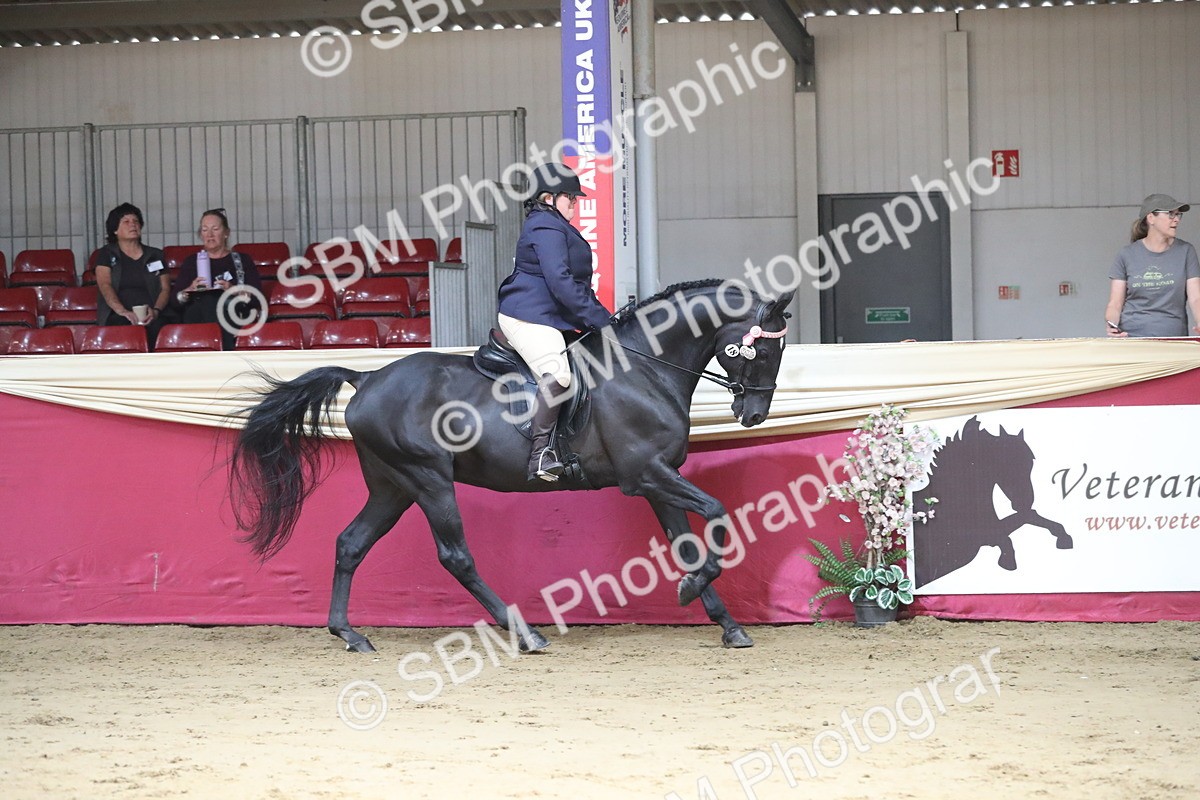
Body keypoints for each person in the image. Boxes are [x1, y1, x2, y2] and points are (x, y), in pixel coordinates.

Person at [497, 163, 612, 482]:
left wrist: (603, 318)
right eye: (571, 198)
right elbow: (561, 282)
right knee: (558, 373)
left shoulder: (554, 224)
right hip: (528, 315)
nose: (575, 204)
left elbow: (573, 287)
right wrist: (601, 321)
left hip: (550, 315)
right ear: (548, 197)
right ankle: (540, 456)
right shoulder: (544, 226)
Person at [1105, 193, 1200, 338]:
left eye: (1178, 215)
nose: (1176, 220)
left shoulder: (1186, 251)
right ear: (1151, 218)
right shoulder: (1126, 255)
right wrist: (1112, 324)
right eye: (1170, 214)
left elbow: (1196, 298)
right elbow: (1115, 303)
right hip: (1132, 338)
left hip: (1173, 338)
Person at [172, 208, 264, 350]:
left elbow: (257, 298)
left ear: (226, 233)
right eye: (204, 230)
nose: (209, 235)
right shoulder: (191, 262)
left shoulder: (242, 260)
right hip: (198, 317)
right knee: (206, 301)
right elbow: (175, 301)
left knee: (219, 301)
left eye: (215, 229)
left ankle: (216, 349)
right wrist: (189, 290)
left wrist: (233, 290)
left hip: (234, 313)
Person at [95, 202, 171, 351]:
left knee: (161, 328)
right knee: (122, 327)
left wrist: (155, 311)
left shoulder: (155, 255)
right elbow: (105, 285)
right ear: (115, 230)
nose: (133, 225)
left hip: (152, 314)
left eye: (136, 221)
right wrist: (123, 312)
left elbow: (165, 288)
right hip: (119, 314)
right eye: (126, 222)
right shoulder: (106, 254)